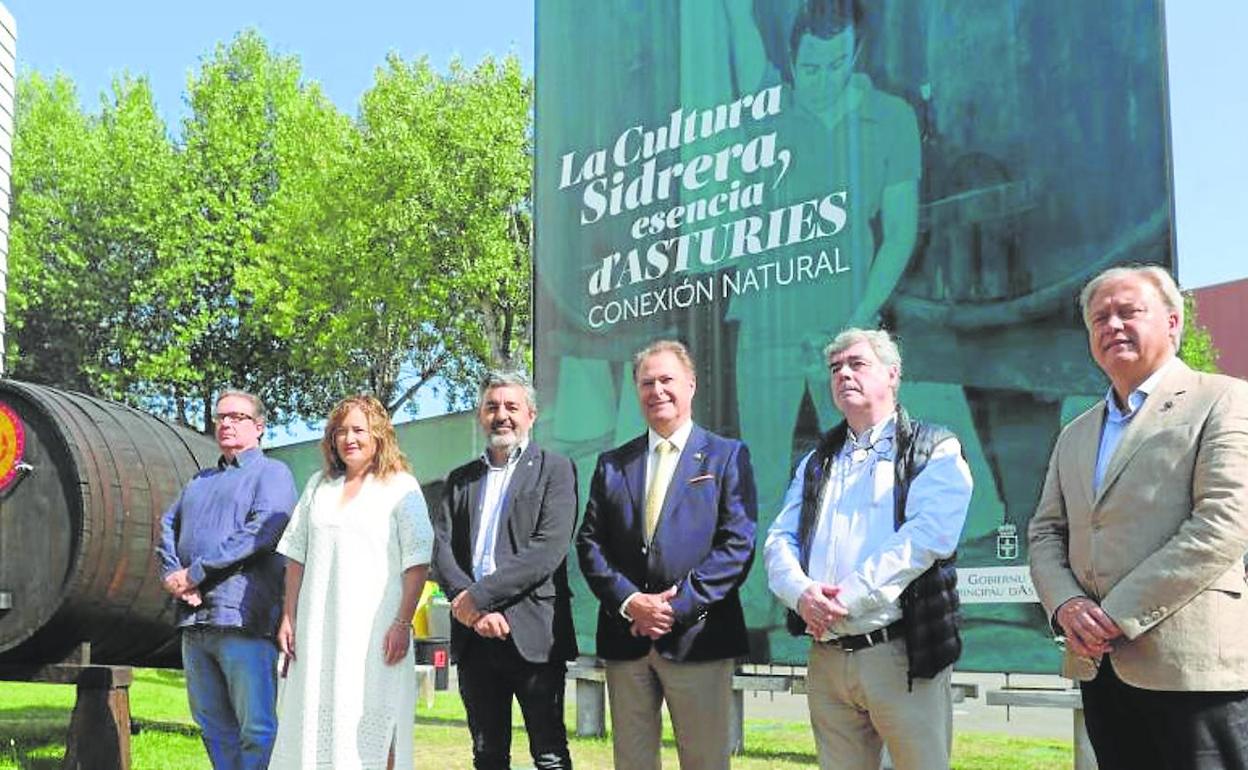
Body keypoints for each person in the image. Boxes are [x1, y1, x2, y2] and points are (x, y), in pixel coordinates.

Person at [724, 0, 924, 595]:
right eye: (810, 68)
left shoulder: (891, 117)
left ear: (856, 54)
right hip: (766, 321)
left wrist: (856, 325)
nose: (822, 79)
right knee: (761, 473)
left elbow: (900, 232)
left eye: (836, 65)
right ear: (790, 61)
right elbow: (738, 35)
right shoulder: (764, 112)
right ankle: (760, 607)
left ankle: (853, 596)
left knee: (859, 473)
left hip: (847, 327)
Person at [1029, 264, 1248, 770]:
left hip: (1193, 670)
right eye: (1099, 318)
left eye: (1129, 312)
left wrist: (1117, 613)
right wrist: (1066, 605)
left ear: (1173, 322)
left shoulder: (1223, 399)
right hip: (1101, 669)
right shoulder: (1075, 433)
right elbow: (1045, 532)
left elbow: (1225, 520)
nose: (1112, 325)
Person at [764, 328, 972, 770]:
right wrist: (802, 594)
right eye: (835, 368)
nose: (843, 374)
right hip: (827, 657)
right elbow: (780, 540)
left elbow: (928, 537)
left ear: (892, 374)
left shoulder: (934, 447)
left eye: (857, 364)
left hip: (900, 654)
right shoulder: (816, 460)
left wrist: (842, 601)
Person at [576, 339, 757, 770]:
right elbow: (590, 543)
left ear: (691, 385)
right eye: (646, 383)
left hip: (700, 638)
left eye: (666, 380)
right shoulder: (612, 464)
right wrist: (630, 602)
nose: (656, 390)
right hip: (627, 639)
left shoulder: (726, 456)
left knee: (705, 762)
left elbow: (737, 544)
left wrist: (675, 608)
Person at [268, 395, 434, 770]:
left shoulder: (400, 487)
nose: (349, 438)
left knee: (378, 717)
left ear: (378, 435)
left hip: (377, 633)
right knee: (313, 717)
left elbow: (418, 562)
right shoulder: (318, 486)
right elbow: (295, 556)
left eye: (359, 429)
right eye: (340, 431)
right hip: (317, 631)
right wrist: (289, 616)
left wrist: (403, 622)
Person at [430, 370, 578, 770]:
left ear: (531, 414)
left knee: (549, 755)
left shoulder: (555, 470)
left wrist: (478, 598)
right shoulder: (460, 480)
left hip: (534, 635)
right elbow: (442, 550)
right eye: (492, 407)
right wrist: (473, 610)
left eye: (512, 406)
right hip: (474, 637)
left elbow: (547, 550)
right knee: (487, 755)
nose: (502, 415)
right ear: (480, 415)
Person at [154, 390, 297, 770]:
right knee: (212, 725)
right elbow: (167, 526)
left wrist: (196, 573)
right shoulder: (199, 481)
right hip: (195, 620)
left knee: (256, 728)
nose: (226, 424)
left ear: (259, 426)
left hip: (243, 619)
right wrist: (173, 576)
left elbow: (262, 532)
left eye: (237, 417)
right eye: (221, 417)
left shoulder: (273, 473)